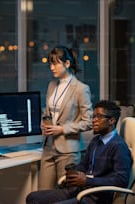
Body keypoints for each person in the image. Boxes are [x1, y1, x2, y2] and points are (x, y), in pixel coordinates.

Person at [26, 100, 132, 204]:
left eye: (99, 117)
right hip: (80, 190)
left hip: (97, 197)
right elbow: (83, 165)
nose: (94, 120)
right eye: (93, 117)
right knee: (33, 197)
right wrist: (74, 175)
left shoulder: (119, 146)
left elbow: (121, 180)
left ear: (111, 121)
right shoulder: (96, 141)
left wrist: (87, 181)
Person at [39, 46, 93, 190]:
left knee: (65, 196)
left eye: (55, 63)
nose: (52, 67)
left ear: (67, 64)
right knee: (42, 194)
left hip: (68, 150)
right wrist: (43, 124)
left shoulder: (81, 89)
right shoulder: (51, 85)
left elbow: (89, 122)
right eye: (50, 64)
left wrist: (62, 129)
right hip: (48, 147)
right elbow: (47, 112)